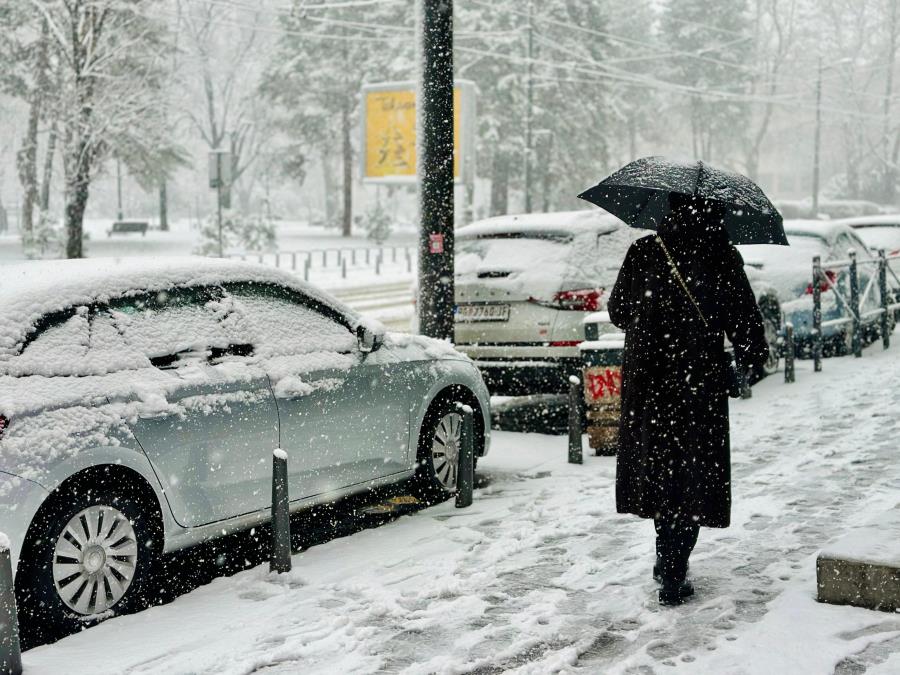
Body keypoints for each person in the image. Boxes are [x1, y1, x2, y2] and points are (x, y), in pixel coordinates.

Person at [606, 193, 769, 606]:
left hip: (649, 382)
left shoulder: (645, 250)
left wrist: (653, 317)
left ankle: (668, 558)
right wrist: (750, 359)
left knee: (659, 469)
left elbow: (619, 311)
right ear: (716, 212)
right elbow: (744, 318)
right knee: (692, 474)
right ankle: (675, 564)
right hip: (699, 383)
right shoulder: (720, 255)